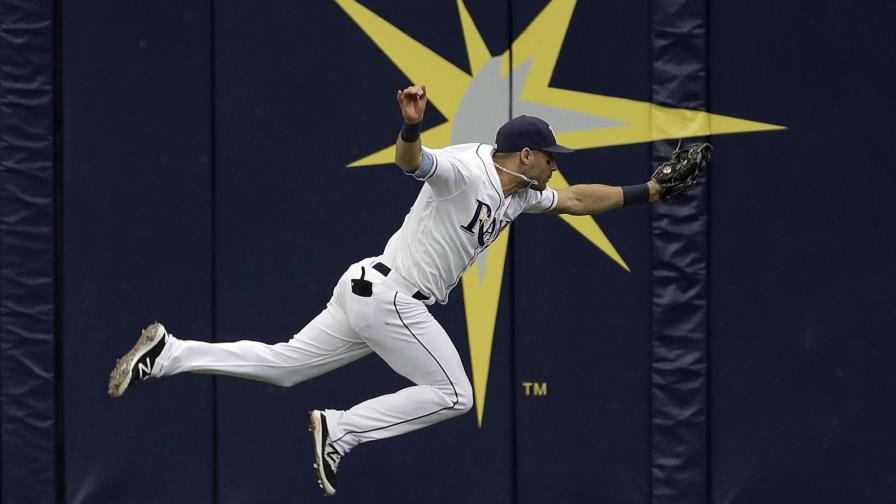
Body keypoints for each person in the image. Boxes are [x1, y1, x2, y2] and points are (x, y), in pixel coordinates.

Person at [107, 84, 662, 496]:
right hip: (394, 298)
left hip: (368, 289)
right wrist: (411, 126)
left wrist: (650, 190)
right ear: (525, 155)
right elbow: (412, 162)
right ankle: (341, 430)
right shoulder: (467, 169)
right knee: (456, 395)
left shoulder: (519, 193)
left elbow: (579, 200)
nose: (553, 166)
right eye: (549, 157)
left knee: (284, 366)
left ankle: (169, 353)